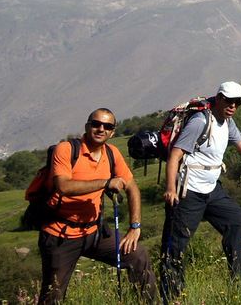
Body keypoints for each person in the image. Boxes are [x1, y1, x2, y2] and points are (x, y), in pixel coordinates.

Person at [160, 81, 241, 300]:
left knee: (239, 223)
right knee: (176, 245)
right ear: (218, 98)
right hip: (188, 191)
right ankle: (172, 297)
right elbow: (175, 155)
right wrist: (170, 189)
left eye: (237, 103)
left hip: (211, 190)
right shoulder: (200, 121)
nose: (232, 106)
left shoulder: (228, 123)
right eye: (229, 101)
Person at [38, 108, 157, 304]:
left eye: (107, 126)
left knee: (138, 255)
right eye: (96, 124)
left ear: (113, 132)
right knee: (53, 295)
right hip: (60, 235)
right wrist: (105, 183)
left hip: (95, 232)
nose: (101, 129)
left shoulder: (111, 153)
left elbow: (132, 188)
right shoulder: (66, 150)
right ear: (87, 126)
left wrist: (135, 227)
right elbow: (63, 186)